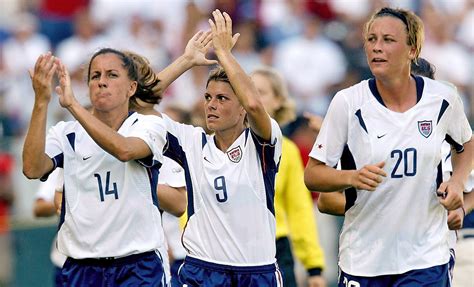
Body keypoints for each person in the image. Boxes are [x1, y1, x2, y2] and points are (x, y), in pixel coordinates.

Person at [304, 7, 473, 286]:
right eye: (371, 40)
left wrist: (457, 182)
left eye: (388, 40)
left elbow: (466, 144)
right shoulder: (348, 102)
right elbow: (312, 175)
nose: (377, 48)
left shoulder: (443, 98)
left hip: (426, 257)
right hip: (364, 259)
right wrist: (351, 177)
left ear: (412, 49)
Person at [23, 48, 175, 286]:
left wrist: (73, 106)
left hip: (139, 266)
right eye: (95, 76)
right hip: (82, 267)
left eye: (112, 75)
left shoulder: (148, 125)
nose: (102, 82)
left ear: (132, 87)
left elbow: (124, 150)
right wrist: (41, 102)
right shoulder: (66, 134)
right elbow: (32, 169)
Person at [156, 10, 284, 286]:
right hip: (203, 269)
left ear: (241, 109)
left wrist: (224, 53)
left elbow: (254, 104)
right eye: (208, 97)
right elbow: (140, 104)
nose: (211, 104)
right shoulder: (190, 141)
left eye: (223, 98)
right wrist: (186, 61)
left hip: (256, 270)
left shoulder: (263, 143)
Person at [250, 66, 326, 287]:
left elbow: (299, 210)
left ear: (279, 101)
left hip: (276, 250)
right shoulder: (219, 143)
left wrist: (314, 267)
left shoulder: (289, 151)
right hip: (229, 251)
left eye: (261, 92)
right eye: (248, 91)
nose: (253, 99)